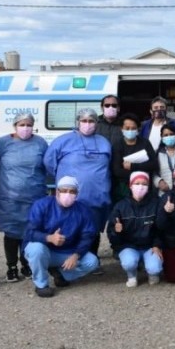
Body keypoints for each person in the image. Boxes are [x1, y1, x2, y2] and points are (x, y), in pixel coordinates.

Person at [43, 108, 112, 257]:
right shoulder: (63, 141)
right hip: (72, 197)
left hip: (96, 196)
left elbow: (109, 164)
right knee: (68, 228)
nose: (88, 124)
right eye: (84, 121)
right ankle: (65, 259)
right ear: (78, 122)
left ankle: (92, 259)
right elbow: (49, 162)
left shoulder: (103, 142)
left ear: (96, 123)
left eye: (91, 121)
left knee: (92, 230)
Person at [0, 112, 48, 283]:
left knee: (29, 233)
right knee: (11, 233)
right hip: (8, 199)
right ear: (15, 125)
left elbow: (47, 166)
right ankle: (11, 267)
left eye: (29, 124)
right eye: (22, 125)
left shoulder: (39, 143)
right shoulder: (3, 143)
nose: (25, 128)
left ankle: (26, 264)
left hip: (33, 197)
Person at [23, 176, 100, 297]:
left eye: (72, 191)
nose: (67, 194)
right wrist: (49, 238)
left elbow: (87, 236)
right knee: (36, 249)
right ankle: (41, 285)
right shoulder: (41, 205)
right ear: (57, 191)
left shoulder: (83, 210)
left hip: (66, 252)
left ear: (77, 193)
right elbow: (29, 232)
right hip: (45, 250)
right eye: (64, 190)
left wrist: (76, 255)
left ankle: (60, 274)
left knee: (92, 262)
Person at [107, 172, 163, 287]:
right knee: (129, 263)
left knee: (155, 267)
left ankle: (152, 273)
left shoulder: (155, 203)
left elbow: (161, 228)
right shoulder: (120, 206)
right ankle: (131, 274)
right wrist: (117, 232)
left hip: (149, 246)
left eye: (144, 184)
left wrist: (157, 245)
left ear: (148, 186)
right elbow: (112, 236)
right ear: (131, 185)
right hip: (129, 246)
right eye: (137, 183)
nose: (140, 187)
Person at [111, 113, 159, 204]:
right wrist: (140, 173)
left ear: (138, 129)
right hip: (124, 188)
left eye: (133, 128)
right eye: (127, 128)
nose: (130, 130)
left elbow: (154, 164)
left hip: (144, 185)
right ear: (121, 129)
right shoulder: (117, 145)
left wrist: (133, 166)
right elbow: (117, 170)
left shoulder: (145, 143)